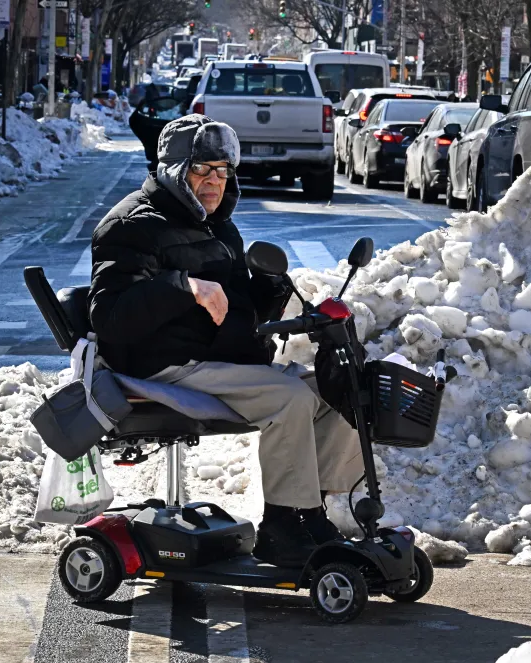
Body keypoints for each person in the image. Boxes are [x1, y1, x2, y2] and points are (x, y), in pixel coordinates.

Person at [88, 115, 363, 567]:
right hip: (163, 365)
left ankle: (311, 511)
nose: (215, 182)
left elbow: (233, 307)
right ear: (175, 171)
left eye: (223, 170)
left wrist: (269, 292)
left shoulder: (218, 225)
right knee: (290, 398)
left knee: (336, 389)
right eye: (202, 170)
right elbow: (112, 319)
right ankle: (281, 524)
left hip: (217, 359)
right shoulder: (129, 226)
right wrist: (182, 287)